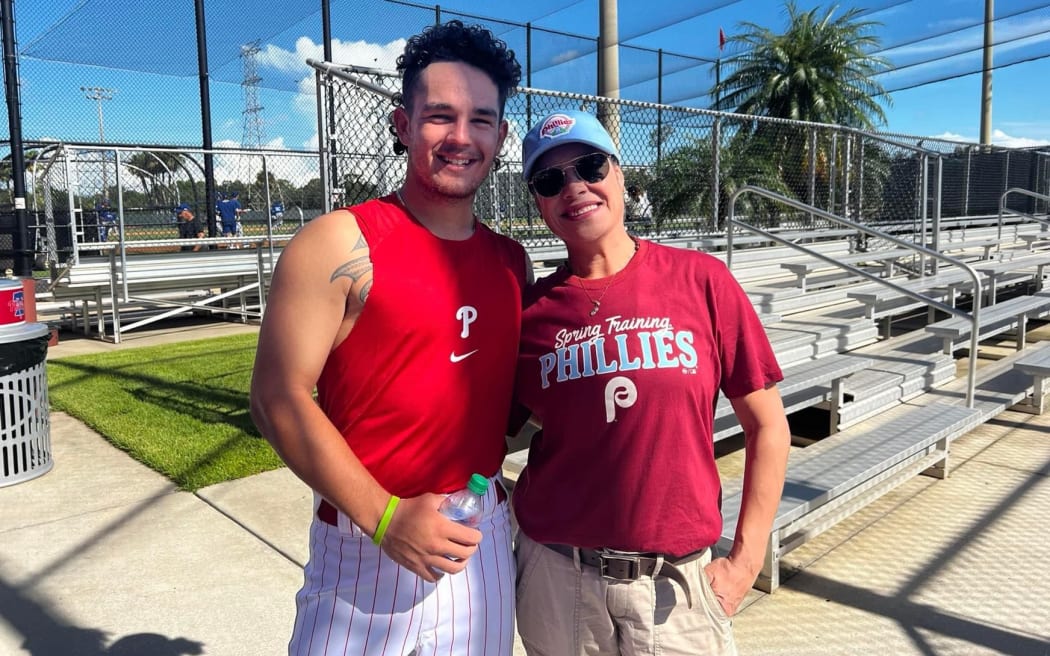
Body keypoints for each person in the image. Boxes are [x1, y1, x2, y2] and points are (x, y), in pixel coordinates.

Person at [250, 20, 526, 656]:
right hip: (364, 549)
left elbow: (502, 405)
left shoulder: (512, 262)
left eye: (481, 119)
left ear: (501, 136)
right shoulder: (339, 241)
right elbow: (276, 398)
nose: (461, 137)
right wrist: (386, 517)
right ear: (403, 127)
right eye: (439, 116)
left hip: (476, 544)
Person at [511, 109, 791, 656]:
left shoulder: (700, 280)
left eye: (589, 165)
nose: (575, 187)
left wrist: (746, 560)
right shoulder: (530, 313)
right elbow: (481, 434)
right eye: (550, 180)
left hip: (677, 588)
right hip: (558, 577)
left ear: (619, 175)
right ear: (540, 203)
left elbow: (769, 427)